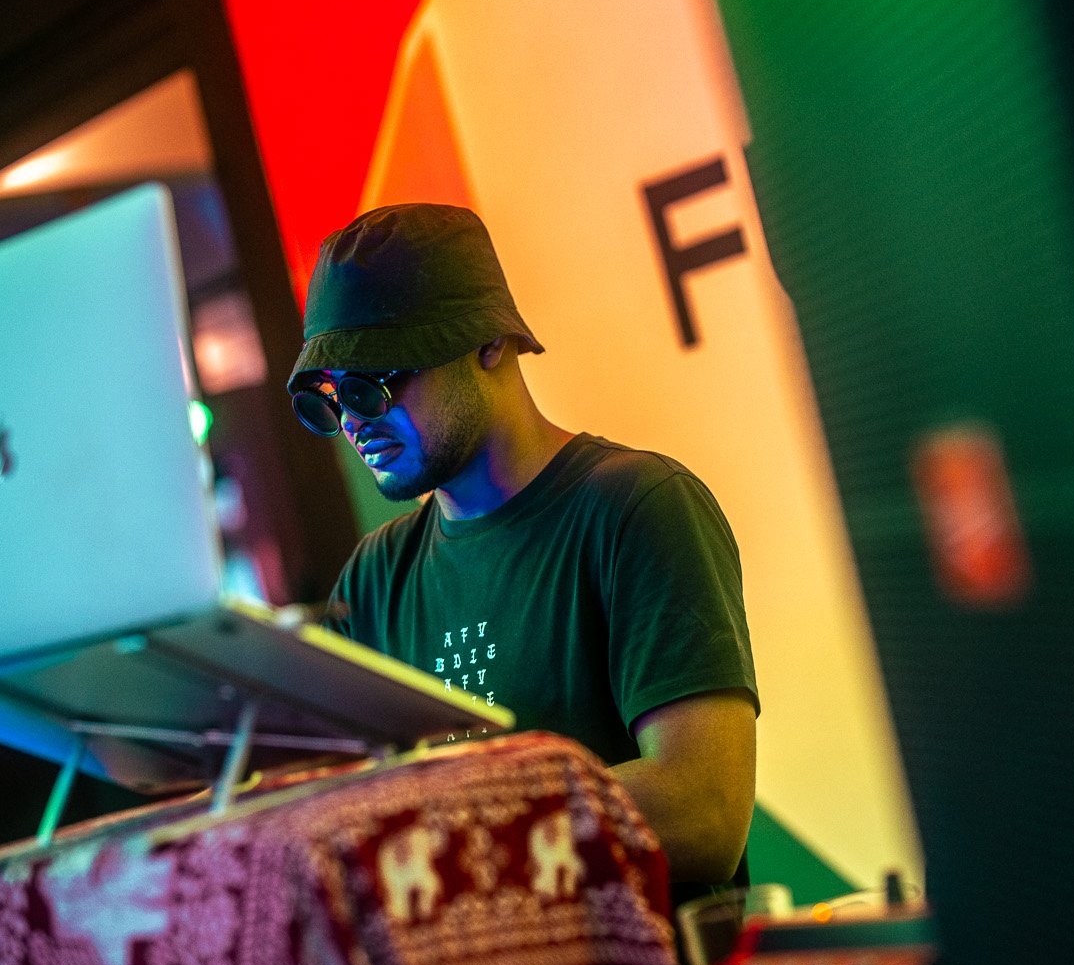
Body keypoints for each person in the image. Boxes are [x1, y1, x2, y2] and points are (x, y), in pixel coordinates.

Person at [286, 204, 758, 897]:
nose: (355, 419)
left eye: (374, 382)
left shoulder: (636, 507)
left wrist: (440, 839)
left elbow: (701, 813)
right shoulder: (379, 574)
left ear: (487, 343)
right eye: (332, 396)